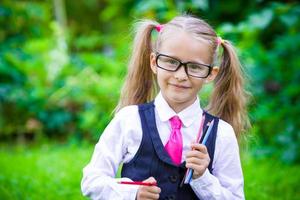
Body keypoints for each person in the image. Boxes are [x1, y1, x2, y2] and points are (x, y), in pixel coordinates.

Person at [81, 15, 249, 200]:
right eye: (171, 62)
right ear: (154, 62)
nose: (180, 75)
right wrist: (132, 194)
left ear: (210, 74)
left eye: (194, 67)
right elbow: (91, 181)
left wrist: (203, 178)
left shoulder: (221, 134)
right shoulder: (129, 120)